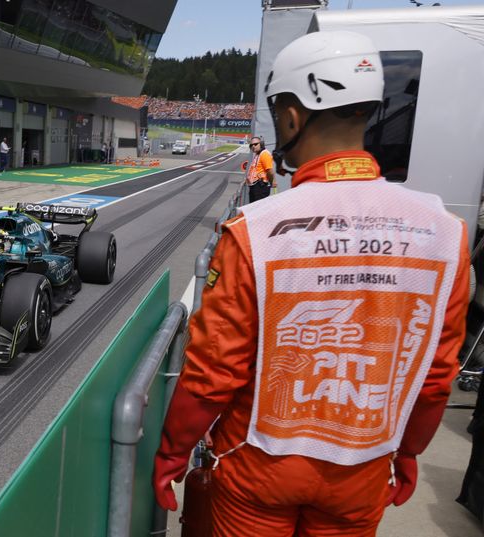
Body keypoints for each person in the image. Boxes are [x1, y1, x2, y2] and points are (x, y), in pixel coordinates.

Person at [153, 30, 469, 536]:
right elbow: (434, 376)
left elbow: (214, 371)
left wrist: (172, 450)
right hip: (363, 466)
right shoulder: (444, 234)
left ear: (293, 117)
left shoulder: (257, 231)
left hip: (255, 464)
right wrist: (408, 451)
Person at [245, 135, 275, 202]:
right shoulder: (258, 154)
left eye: (255, 144)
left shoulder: (264, 154)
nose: (253, 146)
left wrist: (271, 182)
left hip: (260, 187)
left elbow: (270, 171)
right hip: (255, 186)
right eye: (251, 145)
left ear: (261, 144)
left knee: (257, 208)